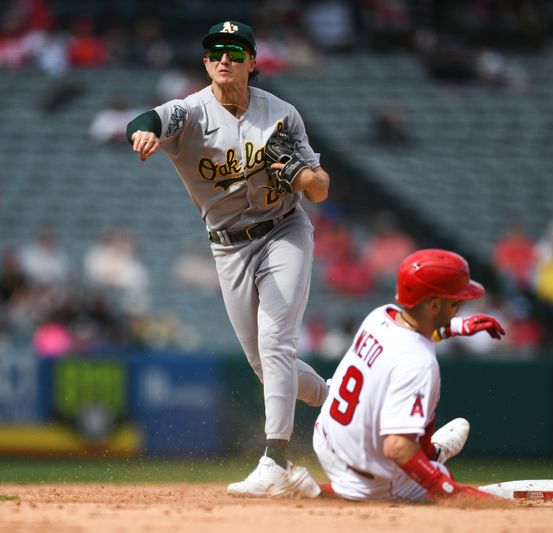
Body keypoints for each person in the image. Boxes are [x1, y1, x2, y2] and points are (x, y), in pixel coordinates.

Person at [126, 20, 330, 498]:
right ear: (205, 62)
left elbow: (320, 189)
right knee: (264, 363)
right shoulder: (191, 112)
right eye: (216, 51)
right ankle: (349, 399)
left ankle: (275, 460)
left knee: (277, 343)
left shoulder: (281, 114)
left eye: (236, 52)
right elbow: (145, 120)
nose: (224, 58)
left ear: (252, 63)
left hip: (284, 230)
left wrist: (297, 173)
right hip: (228, 245)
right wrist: (143, 135)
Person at [313, 249, 505, 502]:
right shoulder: (419, 362)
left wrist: (457, 326)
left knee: (399, 404)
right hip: (370, 479)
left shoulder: (380, 316)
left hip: (327, 442)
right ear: (435, 305)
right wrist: (448, 490)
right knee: (439, 473)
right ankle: (434, 456)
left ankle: (430, 454)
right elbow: (398, 448)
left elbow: (415, 331)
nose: (460, 307)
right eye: (456, 302)